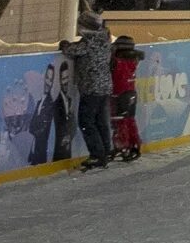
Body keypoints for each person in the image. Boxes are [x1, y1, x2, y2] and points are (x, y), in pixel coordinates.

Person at [62, 9, 116, 170]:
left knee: (86, 121)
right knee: (100, 121)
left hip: (91, 87)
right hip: (105, 86)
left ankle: (97, 155)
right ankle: (106, 150)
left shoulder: (88, 43)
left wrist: (64, 44)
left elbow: (71, 50)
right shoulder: (105, 40)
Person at [110, 34, 145, 162]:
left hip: (119, 94)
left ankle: (123, 145)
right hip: (131, 93)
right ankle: (134, 144)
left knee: (120, 122)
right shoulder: (134, 59)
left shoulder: (118, 61)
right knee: (129, 119)